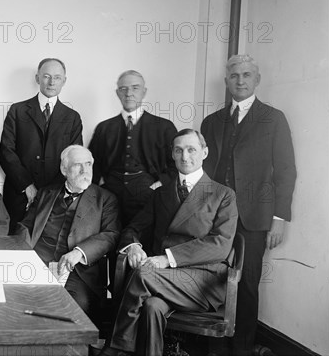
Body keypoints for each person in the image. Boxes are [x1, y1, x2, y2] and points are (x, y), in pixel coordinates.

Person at [100, 129, 238, 356]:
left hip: (203, 280)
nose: (185, 156)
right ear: (172, 155)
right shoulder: (161, 194)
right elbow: (133, 228)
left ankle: (116, 348)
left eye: (191, 149)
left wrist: (167, 258)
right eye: (178, 150)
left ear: (204, 152)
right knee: (152, 307)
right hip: (162, 281)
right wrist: (133, 245)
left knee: (144, 273)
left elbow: (220, 245)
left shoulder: (223, 194)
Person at [201, 54, 296, 356]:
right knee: (209, 278)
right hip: (215, 216)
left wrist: (279, 218)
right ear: (227, 81)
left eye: (246, 75)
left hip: (255, 217)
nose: (240, 81)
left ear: (257, 79)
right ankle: (212, 344)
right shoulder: (212, 121)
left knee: (247, 284)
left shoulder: (273, 118)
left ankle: (241, 349)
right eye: (234, 76)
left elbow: (285, 170)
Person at [18, 145, 120, 325]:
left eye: (88, 164)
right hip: (37, 265)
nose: (84, 170)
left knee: (73, 311)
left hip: (77, 272)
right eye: (77, 165)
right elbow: (26, 226)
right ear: (64, 169)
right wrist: (20, 254)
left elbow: (110, 234)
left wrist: (80, 252)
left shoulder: (105, 199)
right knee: (18, 303)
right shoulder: (46, 193)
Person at [0, 58, 83, 234]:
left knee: (47, 248)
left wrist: (50, 193)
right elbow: (6, 152)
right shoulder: (17, 110)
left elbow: (74, 160)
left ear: (64, 81)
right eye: (46, 76)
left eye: (57, 77)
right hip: (18, 194)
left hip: (56, 197)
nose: (51, 82)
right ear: (37, 78)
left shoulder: (72, 117)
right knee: (15, 245)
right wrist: (27, 186)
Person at [88, 70, 177, 235]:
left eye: (135, 88)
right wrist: (96, 194)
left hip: (147, 193)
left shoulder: (164, 127)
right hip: (111, 195)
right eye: (123, 89)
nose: (129, 93)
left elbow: (176, 165)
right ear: (117, 93)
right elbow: (92, 166)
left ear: (144, 92)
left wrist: (158, 184)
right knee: (108, 238)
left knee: (143, 240)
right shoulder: (104, 128)